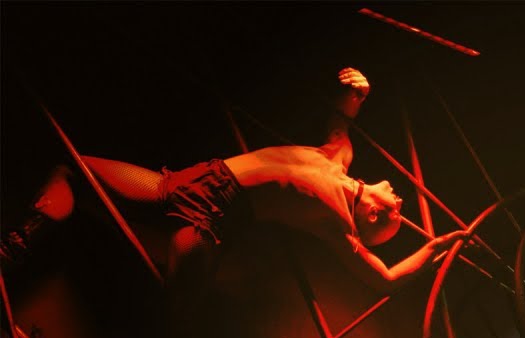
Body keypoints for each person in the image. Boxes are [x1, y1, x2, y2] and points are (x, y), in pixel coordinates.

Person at [3, 68, 461, 288]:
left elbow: (384, 278)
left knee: (184, 309)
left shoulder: (337, 224)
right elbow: (342, 115)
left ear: (375, 213)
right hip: (188, 182)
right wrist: (358, 90)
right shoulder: (337, 156)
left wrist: (434, 248)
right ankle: (19, 242)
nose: (400, 197)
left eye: (396, 211)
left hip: (209, 218)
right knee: (74, 169)